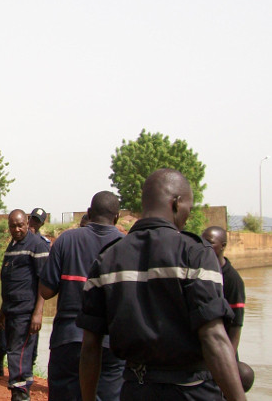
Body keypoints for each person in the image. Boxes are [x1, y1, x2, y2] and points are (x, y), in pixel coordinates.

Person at [78, 169, 245, 401]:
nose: (187, 214)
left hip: (134, 390)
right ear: (176, 203)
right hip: (192, 391)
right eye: (188, 206)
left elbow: (90, 346)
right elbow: (213, 337)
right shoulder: (195, 253)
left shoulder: (107, 260)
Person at [38, 191, 125, 401]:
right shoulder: (126, 244)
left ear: (88, 212)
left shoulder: (66, 240)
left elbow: (46, 291)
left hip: (69, 339)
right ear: (117, 217)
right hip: (111, 343)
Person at [0, 209, 49, 401]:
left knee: (18, 352)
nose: (17, 229)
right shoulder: (12, 245)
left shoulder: (37, 245)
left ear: (27, 223)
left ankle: (20, 395)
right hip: (11, 310)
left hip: (26, 311)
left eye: (20, 225)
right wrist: (2, 310)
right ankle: (20, 392)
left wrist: (38, 312)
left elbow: (44, 281)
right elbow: (9, 280)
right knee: (16, 351)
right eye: (13, 225)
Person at [201, 226, 245, 355]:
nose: (205, 246)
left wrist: (229, 359)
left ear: (223, 246)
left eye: (210, 243)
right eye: (202, 242)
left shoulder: (232, 279)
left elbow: (236, 324)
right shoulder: (200, 272)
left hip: (222, 349)